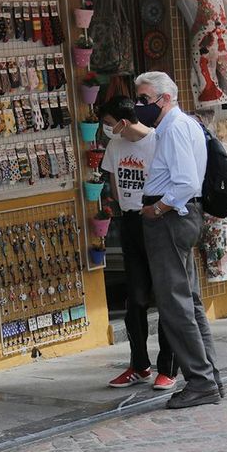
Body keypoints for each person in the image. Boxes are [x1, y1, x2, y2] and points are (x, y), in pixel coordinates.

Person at [133, 71, 223, 409]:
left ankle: (201, 382)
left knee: (175, 304)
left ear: (164, 98)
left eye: (144, 99)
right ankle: (208, 376)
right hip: (179, 218)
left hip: (172, 219)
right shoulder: (178, 126)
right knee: (189, 300)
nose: (139, 106)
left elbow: (184, 182)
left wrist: (157, 209)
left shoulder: (174, 128)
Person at [99, 96, 178, 392]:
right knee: (135, 300)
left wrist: (157, 210)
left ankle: (169, 367)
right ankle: (139, 364)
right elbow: (115, 185)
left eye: (109, 123)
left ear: (123, 121)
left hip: (157, 218)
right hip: (130, 220)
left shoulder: (159, 141)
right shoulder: (115, 145)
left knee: (166, 296)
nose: (106, 129)